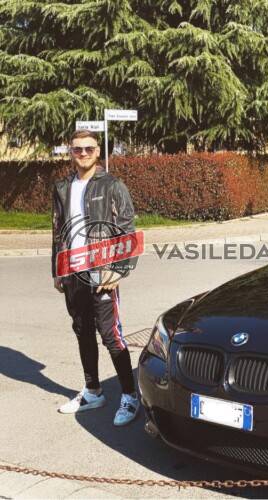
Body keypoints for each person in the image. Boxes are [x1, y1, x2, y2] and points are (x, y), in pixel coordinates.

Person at [51, 129, 139, 426]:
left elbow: (127, 229)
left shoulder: (112, 185)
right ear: (71, 152)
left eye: (89, 148)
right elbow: (57, 231)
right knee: (82, 330)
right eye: (78, 149)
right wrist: (58, 269)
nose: (83, 154)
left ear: (98, 151)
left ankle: (130, 395)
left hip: (102, 273)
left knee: (111, 335)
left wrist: (119, 268)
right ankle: (93, 391)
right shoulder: (62, 187)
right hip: (73, 273)